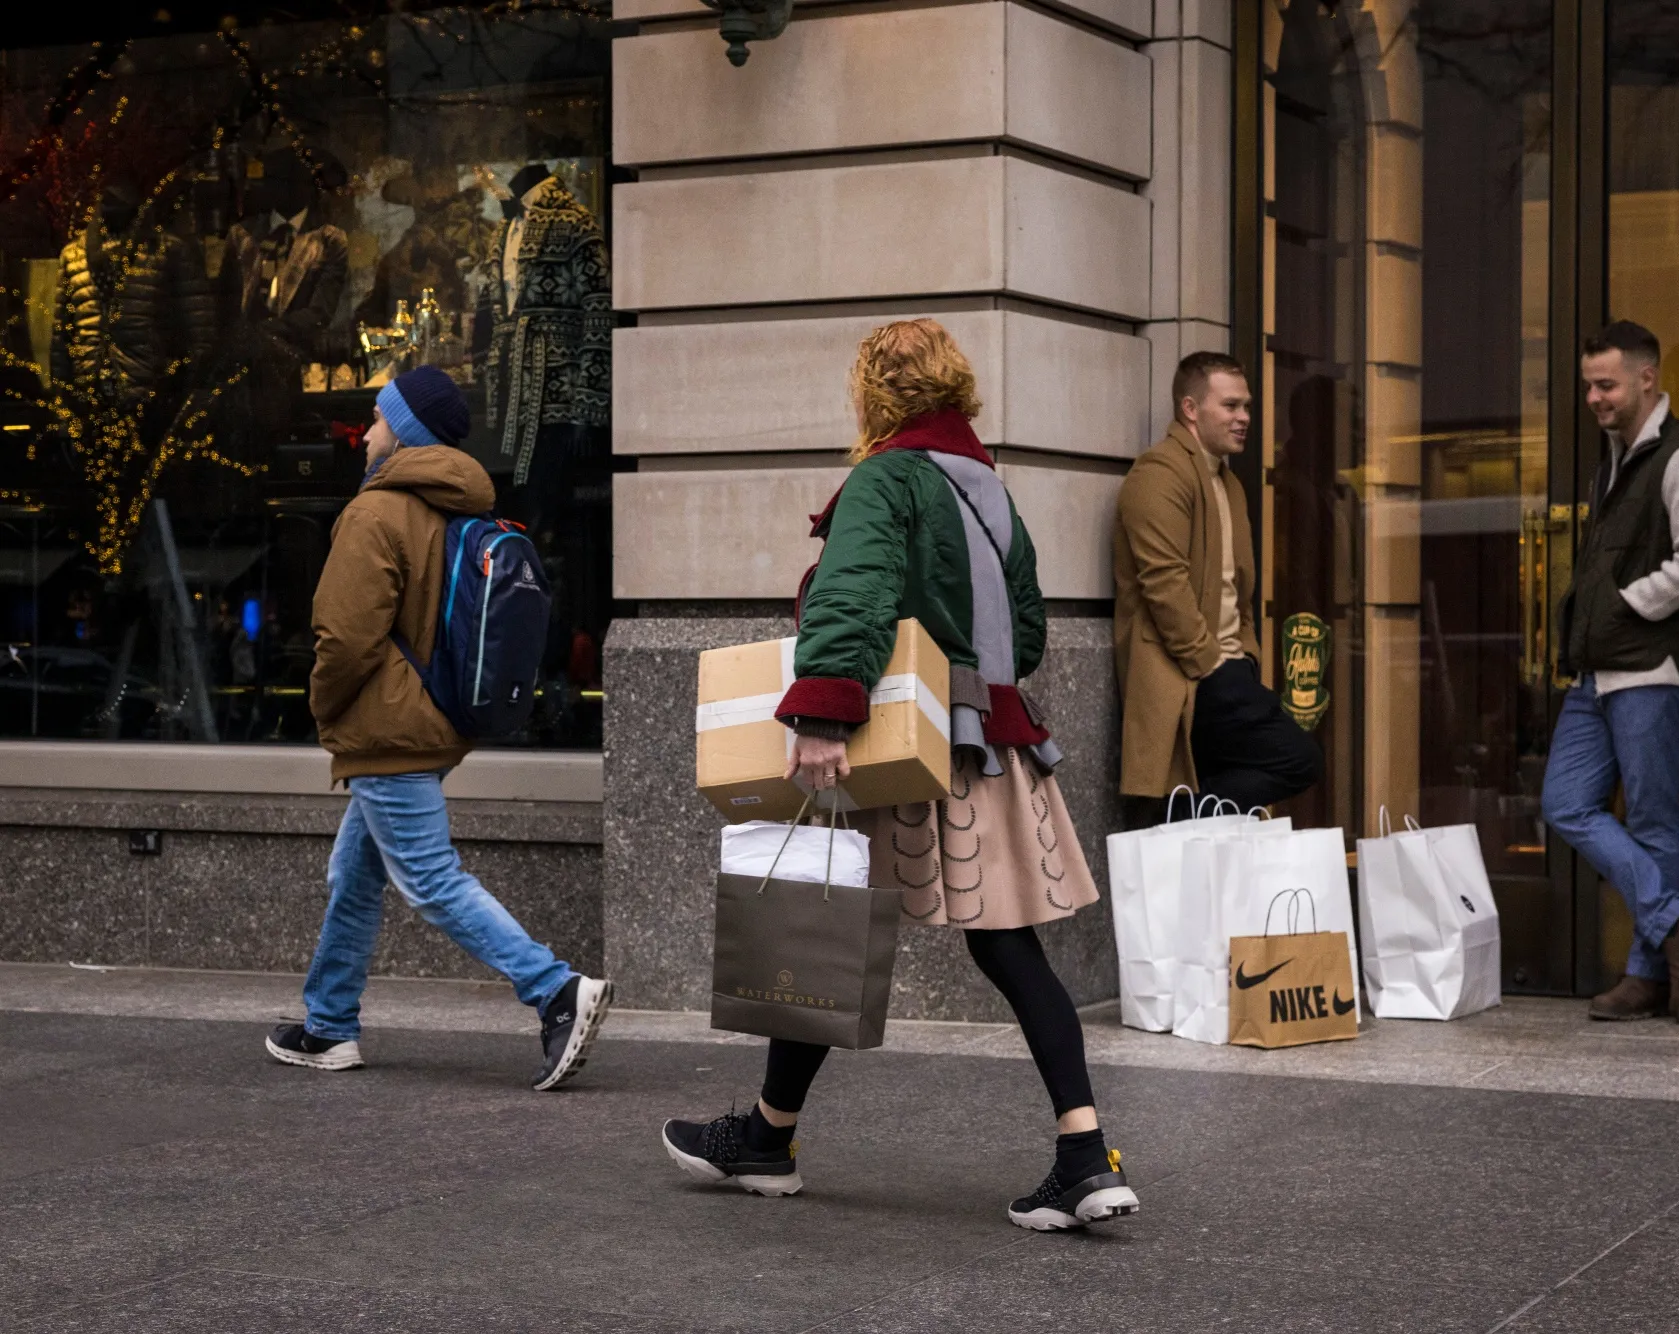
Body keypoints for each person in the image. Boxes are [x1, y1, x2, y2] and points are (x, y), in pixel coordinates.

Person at [660, 319, 1138, 1233]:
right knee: (999, 948)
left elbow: (857, 588)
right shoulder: (989, 487)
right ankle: (1079, 1154)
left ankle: (768, 1138)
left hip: (905, 745)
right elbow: (1026, 636)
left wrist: (825, 707)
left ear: (874, 394)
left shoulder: (886, 476)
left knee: (824, 919)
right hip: (994, 748)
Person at [264, 364, 613, 1088]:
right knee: (354, 874)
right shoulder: (456, 508)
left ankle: (553, 989)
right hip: (430, 720)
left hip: (386, 727)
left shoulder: (375, 513)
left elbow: (345, 637)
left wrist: (325, 707)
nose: (366, 432)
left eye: (379, 420)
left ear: (407, 434)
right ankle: (328, 1024)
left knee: (429, 878)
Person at [1543, 320, 1679, 1023]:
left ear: (1648, 379)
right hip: (1600, 672)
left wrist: (1628, 605)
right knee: (1564, 803)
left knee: (1654, 820)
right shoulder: (1616, 461)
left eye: (1606, 384)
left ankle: (1648, 975)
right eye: (1589, 385)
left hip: (1653, 668)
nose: (1594, 397)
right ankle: (1673, 920)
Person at [1113, 350, 1322, 815]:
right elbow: (1164, 584)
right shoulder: (1159, 475)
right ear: (1190, 408)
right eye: (1230, 406)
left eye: (1246, 406)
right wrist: (1213, 664)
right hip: (1193, 675)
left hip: (1229, 668)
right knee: (1300, 759)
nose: (1244, 417)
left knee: (1232, 791)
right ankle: (1184, 817)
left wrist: (1246, 653)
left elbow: (1238, 587)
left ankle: (1182, 820)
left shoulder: (1228, 484)